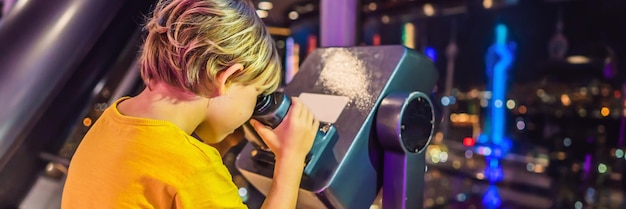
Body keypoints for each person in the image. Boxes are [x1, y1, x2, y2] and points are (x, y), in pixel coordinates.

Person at [61, 0, 319, 208]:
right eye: (256, 94)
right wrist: (291, 158)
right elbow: (182, 171)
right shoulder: (193, 168)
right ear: (226, 79)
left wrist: (223, 139)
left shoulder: (113, 119)